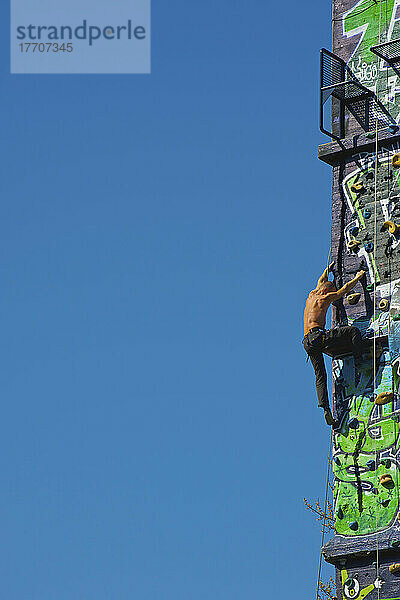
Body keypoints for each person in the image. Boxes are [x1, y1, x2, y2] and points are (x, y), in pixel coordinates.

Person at [303, 262, 365, 426]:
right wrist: (358, 277)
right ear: (326, 291)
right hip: (319, 337)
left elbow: (321, 279)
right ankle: (359, 362)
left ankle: (325, 408)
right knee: (353, 332)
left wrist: (327, 269)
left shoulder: (312, 294)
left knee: (320, 376)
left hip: (307, 342)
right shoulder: (325, 297)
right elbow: (342, 291)